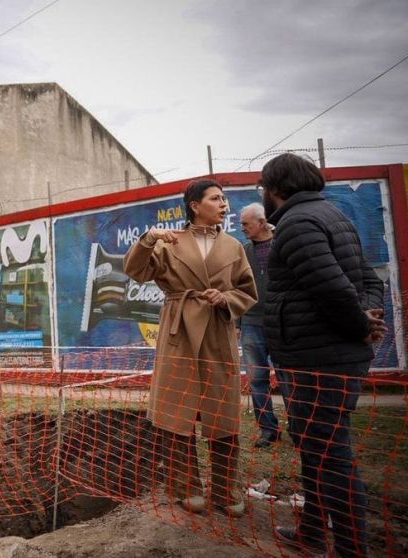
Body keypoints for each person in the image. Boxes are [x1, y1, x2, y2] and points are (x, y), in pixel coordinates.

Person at [260, 153, 385, 558]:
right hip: (321, 354)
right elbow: (369, 280)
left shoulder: (298, 224)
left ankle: (351, 549)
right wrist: (366, 316)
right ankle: (312, 532)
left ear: (274, 188)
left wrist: (361, 324)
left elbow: (332, 288)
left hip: (318, 360)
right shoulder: (332, 216)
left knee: (330, 454)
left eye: (263, 188)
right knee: (314, 447)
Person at [123, 178, 257, 517]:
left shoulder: (233, 246)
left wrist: (225, 298)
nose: (224, 204)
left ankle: (226, 489)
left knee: (222, 411)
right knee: (177, 411)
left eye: (224, 199)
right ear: (195, 205)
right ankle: (185, 486)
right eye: (216, 198)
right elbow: (135, 270)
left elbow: (247, 290)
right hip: (178, 331)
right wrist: (148, 239)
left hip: (217, 331)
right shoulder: (169, 242)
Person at [238, 202, 282, 448]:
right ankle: (268, 430)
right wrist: (237, 321)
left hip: (282, 323)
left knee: (289, 378)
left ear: (262, 222)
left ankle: (300, 429)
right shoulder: (243, 252)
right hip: (251, 323)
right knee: (256, 380)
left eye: (246, 224)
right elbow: (235, 287)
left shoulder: (283, 244)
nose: (242, 228)